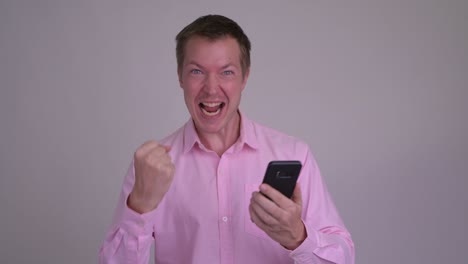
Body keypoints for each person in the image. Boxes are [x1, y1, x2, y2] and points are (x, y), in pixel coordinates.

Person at [99, 14, 355, 264]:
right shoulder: (150, 167)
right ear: (180, 76)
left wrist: (298, 237)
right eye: (197, 71)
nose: (211, 88)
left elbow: (343, 258)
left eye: (227, 72)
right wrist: (140, 207)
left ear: (245, 77)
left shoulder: (294, 154)